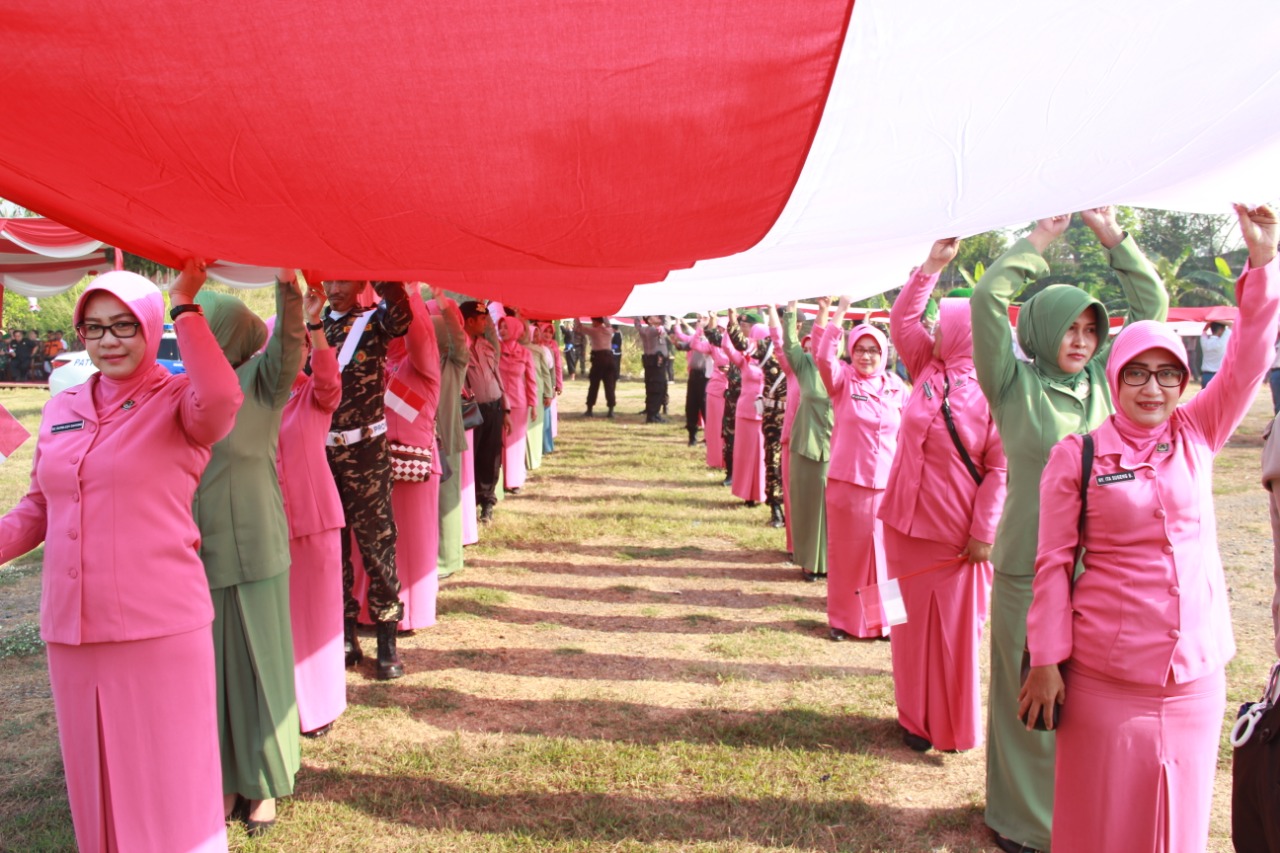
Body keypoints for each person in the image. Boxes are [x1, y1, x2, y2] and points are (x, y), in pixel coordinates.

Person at [1019, 203, 1278, 853]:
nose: (1153, 387)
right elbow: (1052, 564)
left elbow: (1249, 356)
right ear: (1116, 376)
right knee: (1102, 820)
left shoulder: (1198, 432)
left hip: (1195, 675)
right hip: (1108, 680)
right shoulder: (1076, 455)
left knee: (1180, 821)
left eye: (1167, 372)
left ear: (1185, 379)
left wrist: (1264, 262)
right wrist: (1047, 660)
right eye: (1137, 372)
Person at [0, 262, 241, 851]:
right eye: (94, 329)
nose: (108, 341)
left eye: (124, 326)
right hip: (73, 629)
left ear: (150, 328)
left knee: (167, 778)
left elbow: (221, 398)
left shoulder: (179, 400)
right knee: (96, 776)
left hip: (157, 625)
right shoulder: (63, 406)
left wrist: (184, 305)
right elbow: (38, 506)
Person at [971, 207, 1167, 853]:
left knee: (1086, 706)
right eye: (1071, 328)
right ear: (1044, 329)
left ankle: (1077, 812)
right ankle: (1024, 822)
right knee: (1029, 701)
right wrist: (1044, 237)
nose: (1081, 340)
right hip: (1029, 566)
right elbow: (987, 296)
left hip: (1101, 572)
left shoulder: (1106, 386)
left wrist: (1113, 235)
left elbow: (1152, 308)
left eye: (1091, 329)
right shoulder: (1013, 383)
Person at [881, 240, 1007, 754]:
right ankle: (911, 717)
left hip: (954, 539)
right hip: (898, 526)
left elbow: (1001, 469)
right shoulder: (925, 369)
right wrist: (932, 268)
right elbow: (901, 322)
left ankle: (952, 727)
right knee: (904, 626)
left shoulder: (995, 392)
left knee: (956, 636)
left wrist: (983, 534)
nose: (932, 328)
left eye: (943, 322)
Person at [194, 273, 305, 833]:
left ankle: (265, 783)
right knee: (213, 674)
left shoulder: (260, 384)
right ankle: (226, 779)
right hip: (197, 551)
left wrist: (289, 286)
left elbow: (289, 342)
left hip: (258, 545)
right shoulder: (183, 391)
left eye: (202, 325)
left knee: (260, 666)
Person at [323, 279, 414, 679]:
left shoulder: (372, 322)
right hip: (325, 451)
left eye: (343, 279)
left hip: (367, 452)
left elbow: (401, 319)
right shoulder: (315, 326)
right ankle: (345, 634)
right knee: (334, 546)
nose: (333, 286)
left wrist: (387, 281)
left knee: (377, 546)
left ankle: (386, 640)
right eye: (328, 278)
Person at [277, 286, 346, 740]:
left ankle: (319, 705)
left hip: (316, 519)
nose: (298, 351)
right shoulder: (250, 398)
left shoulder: (312, 395)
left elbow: (329, 381)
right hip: (268, 524)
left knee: (316, 615)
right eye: (290, 342)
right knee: (281, 619)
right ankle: (283, 704)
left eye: (302, 344)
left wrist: (316, 327)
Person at [817, 303, 909, 640]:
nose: (866, 356)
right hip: (849, 483)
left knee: (887, 555)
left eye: (873, 350)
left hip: (887, 484)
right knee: (848, 555)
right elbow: (824, 358)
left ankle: (885, 620)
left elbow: (910, 432)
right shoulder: (842, 382)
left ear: (883, 353)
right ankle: (843, 620)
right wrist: (837, 314)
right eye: (859, 349)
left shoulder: (897, 387)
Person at [357, 283, 441, 630]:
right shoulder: (376, 364)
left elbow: (418, 335)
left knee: (411, 542)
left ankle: (411, 612)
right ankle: (367, 610)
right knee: (367, 546)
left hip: (411, 470)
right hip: (370, 468)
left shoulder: (422, 365)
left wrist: (406, 295)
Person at [775, 299, 833, 581]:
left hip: (835, 451)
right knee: (808, 508)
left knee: (830, 509)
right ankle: (810, 562)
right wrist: (792, 310)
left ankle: (829, 562)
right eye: (811, 346)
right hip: (805, 448)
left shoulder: (842, 373)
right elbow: (788, 343)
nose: (815, 349)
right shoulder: (804, 367)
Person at [730, 307, 788, 526]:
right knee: (773, 461)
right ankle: (776, 509)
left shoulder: (801, 352)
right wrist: (732, 319)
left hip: (795, 414)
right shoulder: (767, 353)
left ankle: (794, 508)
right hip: (773, 414)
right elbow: (739, 343)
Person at [431, 294, 469, 579]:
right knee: (435, 501)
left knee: (447, 499)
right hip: (427, 438)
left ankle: (449, 559)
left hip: (446, 435)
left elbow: (459, 340)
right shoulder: (425, 362)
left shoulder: (453, 362)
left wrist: (445, 307)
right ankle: (437, 556)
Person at [462, 301, 510, 523]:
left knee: (491, 457)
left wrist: (506, 409)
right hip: (473, 410)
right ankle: (469, 504)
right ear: (469, 321)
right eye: (482, 319)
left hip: (494, 408)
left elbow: (497, 377)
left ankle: (487, 504)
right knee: (472, 457)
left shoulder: (488, 346)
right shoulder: (458, 348)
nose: (486, 323)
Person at [725, 311, 768, 508]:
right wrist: (731, 322)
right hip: (745, 412)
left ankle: (761, 493)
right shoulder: (746, 359)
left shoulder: (774, 361)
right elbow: (727, 347)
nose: (755, 341)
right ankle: (746, 494)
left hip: (764, 414)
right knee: (745, 455)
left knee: (761, 455)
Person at [671, 315, 709, 447]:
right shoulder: (695, 337)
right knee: (691, 405)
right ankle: (692, 436)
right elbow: (686, 344)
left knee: (705, 406)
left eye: (703, 318)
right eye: (698, 318)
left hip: (707, 376)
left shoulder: (712, 337)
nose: (699, 321)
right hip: (694, 374)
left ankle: (708, 437)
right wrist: (676, 342)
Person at [575, 316, 617, 417]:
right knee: (609, 385)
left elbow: (580, 327)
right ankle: (611, 410)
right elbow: (608, 324)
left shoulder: (594, 331)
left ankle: (589, 409)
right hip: (609, 358)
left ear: (595, 321)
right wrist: (603, 314)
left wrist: (576, 316)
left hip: (598, 359)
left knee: (594, 385)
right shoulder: (609, 330)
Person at [635, 315, 669, 423]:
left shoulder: (644, 329)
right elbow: (667, 327)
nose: (659, 316)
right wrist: (666, 313)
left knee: (652, 388)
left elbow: (637, 324)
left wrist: (637, 315)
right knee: (657, 388)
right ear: (649, 320)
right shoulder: (653, 330)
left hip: (650, 362)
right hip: (656, 363)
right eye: (655, 316)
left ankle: (652, 412)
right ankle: (653, 415)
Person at [1199, 320, 1230, 385]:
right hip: (1219, 375)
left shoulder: (1205, 342)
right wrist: (1217, 319)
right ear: (1221, 329)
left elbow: (1204, 330)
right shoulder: (1221, 342)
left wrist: (1211, 321)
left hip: (1206, 375)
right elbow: (1232, 324)